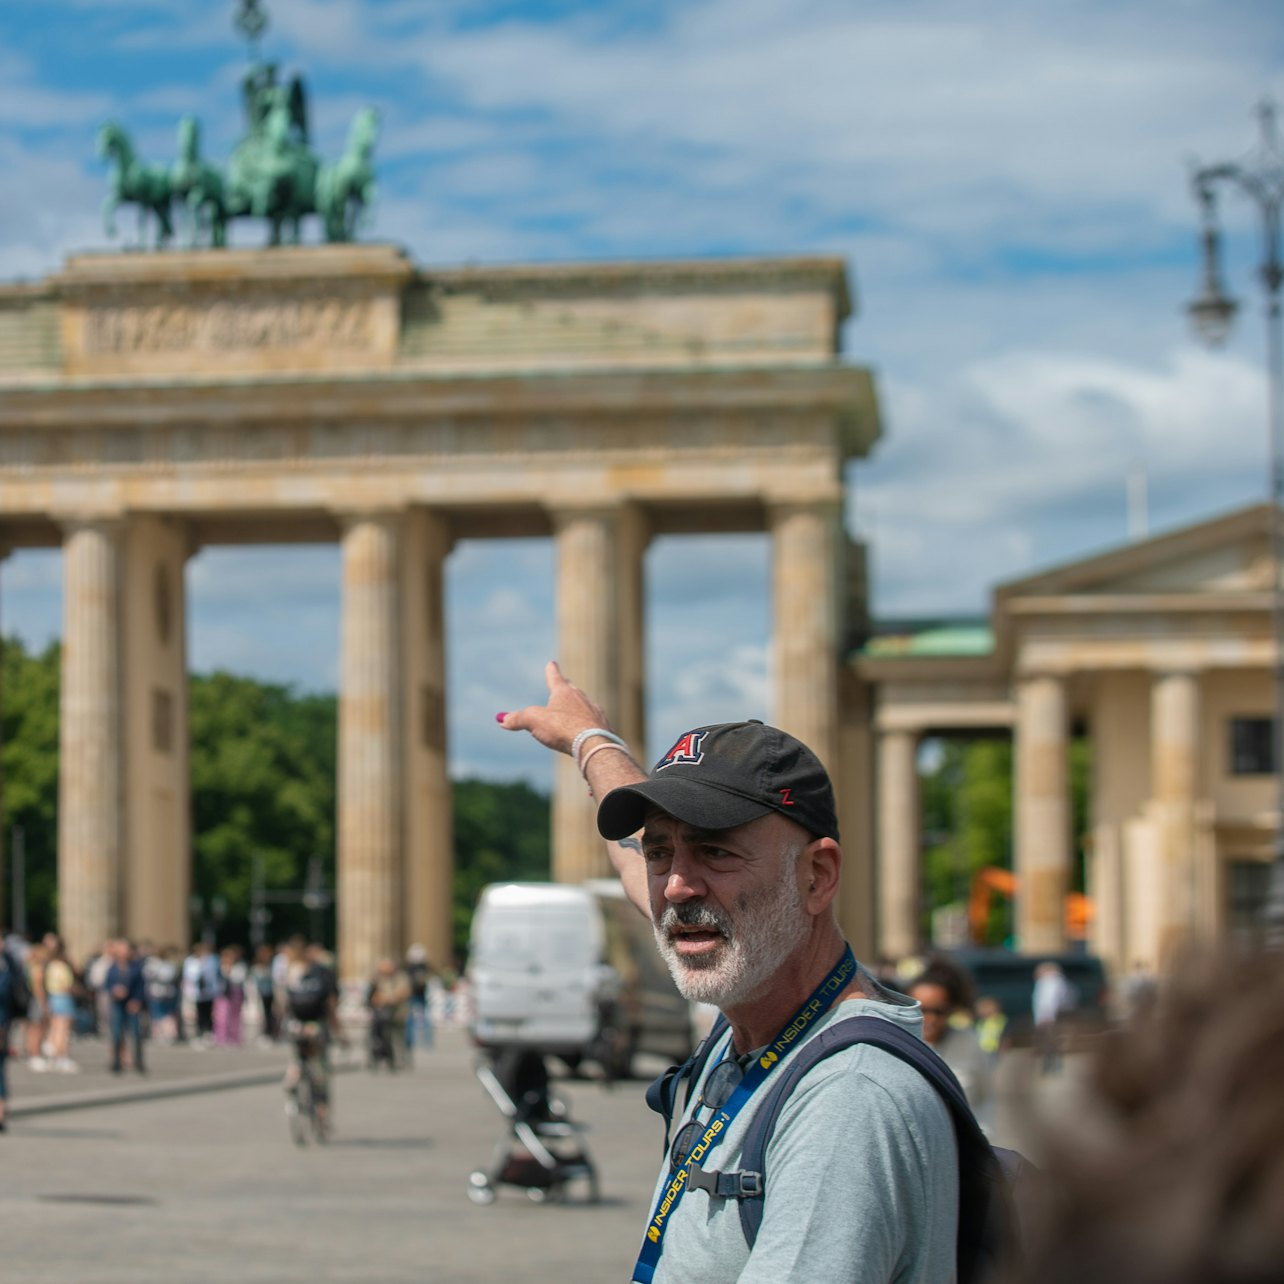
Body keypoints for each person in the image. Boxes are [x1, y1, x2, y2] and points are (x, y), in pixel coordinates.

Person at [500, 661, 959, 1283]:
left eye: (716, 849)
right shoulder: (765, 1014)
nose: (678, 884)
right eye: (664, 850)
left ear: (816, 876)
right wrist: (590, 743)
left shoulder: (847, 1101)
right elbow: (644, 875)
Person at [907, 964, 991, 1118]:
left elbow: (986, 1098)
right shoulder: (897, 1046)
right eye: (922, 1010)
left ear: (950, 1010)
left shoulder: (969, 1043)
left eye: (938, 1011)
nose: (929, 1018)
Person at [283, 943, 342, 1133]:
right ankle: (322, 1113)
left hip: (296, 1026)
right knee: (320, 1069)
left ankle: (292, 1076)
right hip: (316, 1027)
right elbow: (331, 1007)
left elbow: (283, 1005)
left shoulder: (291, 975)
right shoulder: (322, 977)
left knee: (297, 1055)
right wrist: (340, 1033)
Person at [104, 939, 147, 1074]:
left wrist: (136, 1000)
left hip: (131, 1003)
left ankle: (139, 1062)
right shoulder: (112, 967)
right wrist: (114, 990)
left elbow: (141, 987)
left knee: (136, 1033)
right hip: (118, 1003)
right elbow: (107, 984)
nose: (122, 953)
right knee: (116, 1032)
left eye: (125, 950)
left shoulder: (136, 967)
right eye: (120, 950)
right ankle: (117, 1061)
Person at [41, 935, 79, 1074]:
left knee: (56, 1027)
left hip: (53, 996)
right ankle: (61, 1055)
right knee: (63, 1029)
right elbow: (67, 983)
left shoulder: (49, 963)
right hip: (63, 996)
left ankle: (54, 1052)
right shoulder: (61, 965)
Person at [366, 956, 411, 1070]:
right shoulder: (378, 978)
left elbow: (405, 992)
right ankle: (382, 1058)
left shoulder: (401, 977)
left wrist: (390, 999)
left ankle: (401, 1059)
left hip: (398, 1012)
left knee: (398, 1037)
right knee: (380, 1036)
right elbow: (373, 995)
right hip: (383, 1013)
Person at [1032, 960, 1072, 1073]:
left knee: (1050, 1043)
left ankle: (1052, 1066)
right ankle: (1052, 1065)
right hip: (1050, 1017)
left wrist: (1044, 1018)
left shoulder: (1049, 982)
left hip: (1049, 1018)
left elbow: (1048, 1002)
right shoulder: (1052, 982)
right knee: (1051, 1043)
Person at [403, 944, 434, 1056]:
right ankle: (427, 1041)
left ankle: (410, 1041)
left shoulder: (410, 968)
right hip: (419, 995)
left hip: (414, 995)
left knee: (411, 1020)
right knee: (424, 1019)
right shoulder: (423, 967)